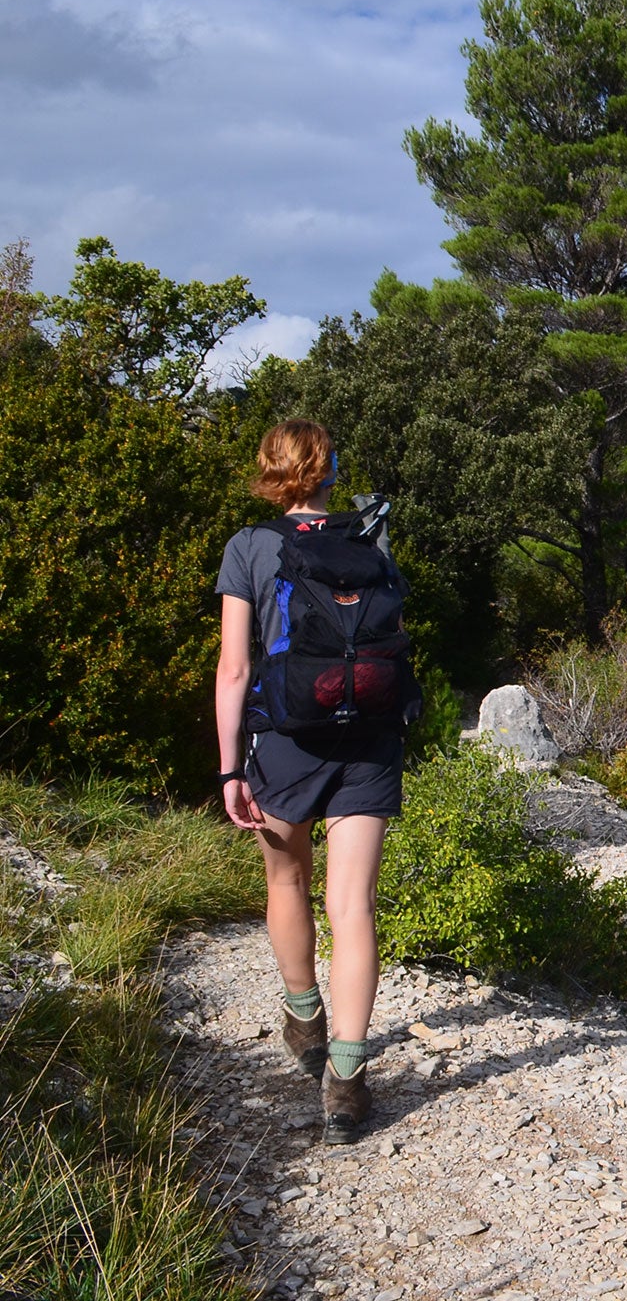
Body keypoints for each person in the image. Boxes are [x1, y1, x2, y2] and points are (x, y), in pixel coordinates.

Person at [216, 419, 404, 1145]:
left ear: (270, 471)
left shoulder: (250, 547)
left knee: (286, 884)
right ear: (330, 471)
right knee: (352, 905)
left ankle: (306, 1020)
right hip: (370, 739)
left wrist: (231, 765)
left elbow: (236, 667)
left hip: (286, 744)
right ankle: (348, 1085)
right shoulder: (371, 539)